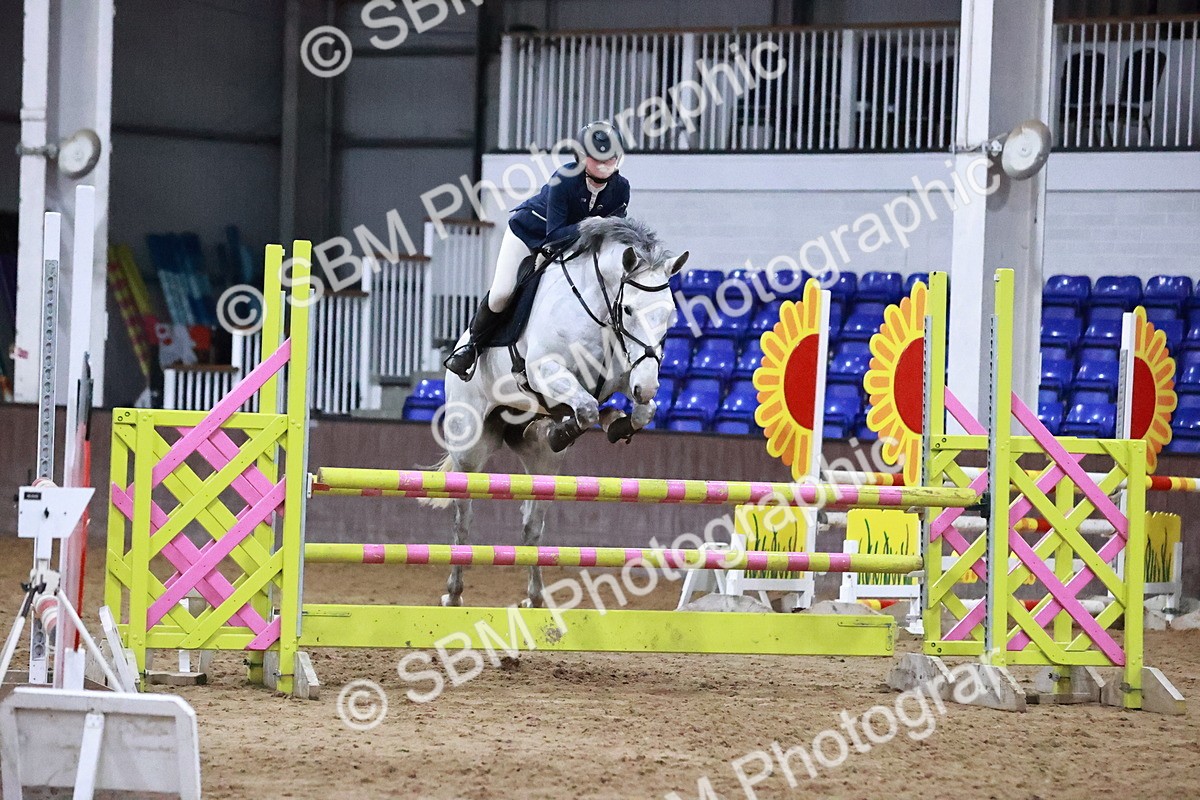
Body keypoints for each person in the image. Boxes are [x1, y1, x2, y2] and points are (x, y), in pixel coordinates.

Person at [443, 121, 631, 380]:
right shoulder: (564, 179)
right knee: (502, 293)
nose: (604, 163)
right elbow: (554, 235)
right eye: (596, 158)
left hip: (575, 247)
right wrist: (591, 226)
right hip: (530, 234)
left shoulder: (621, 188)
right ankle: (470, 347)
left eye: (610, 157)